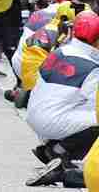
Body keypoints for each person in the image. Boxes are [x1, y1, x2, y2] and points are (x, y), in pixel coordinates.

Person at [24, 11, 99, 188]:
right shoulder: (93, 66)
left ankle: (54, 148)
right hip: (55, 121)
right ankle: (59, 151)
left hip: (35, 115)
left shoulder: (60, 51)